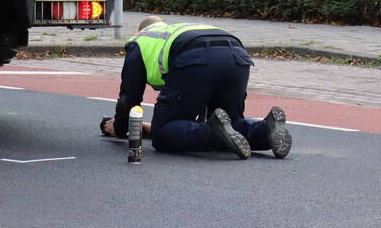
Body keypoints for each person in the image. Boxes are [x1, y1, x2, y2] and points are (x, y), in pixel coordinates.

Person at [99, 16, 292, 159]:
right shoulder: (177, 28)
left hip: (196, 58)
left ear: (138, 31)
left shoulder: (139, 41)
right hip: (236, 55)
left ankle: (213, 134)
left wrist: (120, 127)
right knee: (229, 121)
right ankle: (265, 130)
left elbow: (129, 97)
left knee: (163, 134)